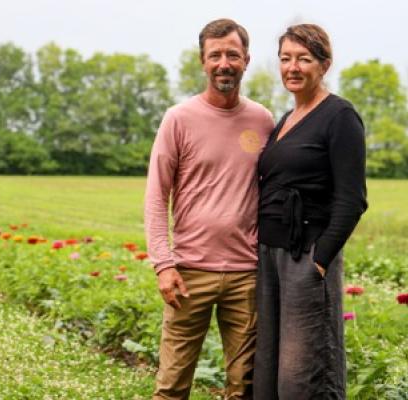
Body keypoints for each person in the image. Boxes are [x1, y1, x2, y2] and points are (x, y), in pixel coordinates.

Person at [144, 18, 275, 400]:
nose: (224, 63)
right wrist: (164, 264)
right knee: (171, 386)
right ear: (202, 61)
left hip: (246, 275)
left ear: (246, 60)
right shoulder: (178, 119)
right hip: (188, 273)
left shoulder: (262, 120)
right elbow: (156, 196)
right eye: (215, 55)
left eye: (232, 55)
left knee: (245, 388)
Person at [253, 24, 368, 399]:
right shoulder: (285, 119)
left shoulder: (340, 116)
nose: (293, 67)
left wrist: (320, 261)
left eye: (304, 58)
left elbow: (352, 199)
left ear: (324, 64)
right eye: (286, 58)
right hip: (271, 255)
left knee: (302, 376)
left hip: (307, 256)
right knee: (269, 369)